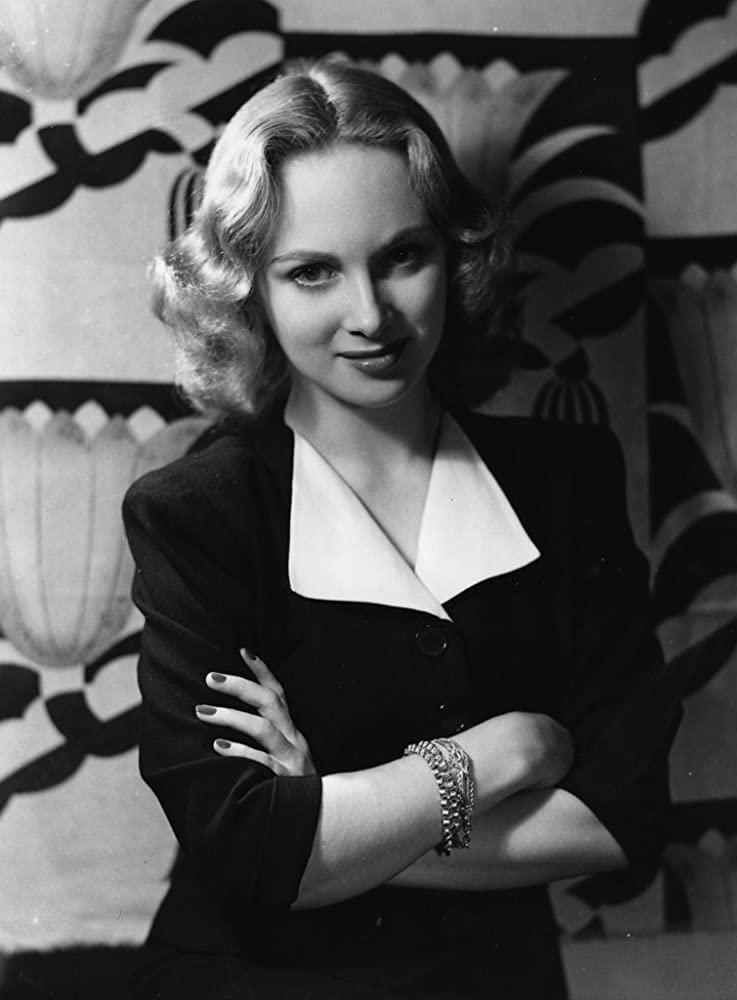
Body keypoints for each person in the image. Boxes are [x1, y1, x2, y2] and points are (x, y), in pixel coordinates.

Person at [122, 57, 681, 999]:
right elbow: (241, 848)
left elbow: (622, 820)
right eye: (312, 273)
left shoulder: (567, 480)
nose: (371, 314)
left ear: (453, 257)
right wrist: (504, 754)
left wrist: (330, 821)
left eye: (402, 257)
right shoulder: (196, 514)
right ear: (249, 289)